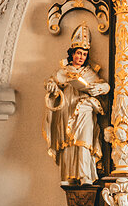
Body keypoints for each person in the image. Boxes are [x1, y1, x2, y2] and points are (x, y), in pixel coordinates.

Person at [43, 24, 110, 185]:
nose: (81, 57)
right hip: (67, 109)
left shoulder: (90, 72)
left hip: (85, 110)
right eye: (79, 53)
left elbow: (105, 86)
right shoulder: (62, 72)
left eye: (84, 54)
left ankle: (84, 174)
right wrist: (52, 87)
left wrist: (100, 88)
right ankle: (68, 176)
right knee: (68, 142)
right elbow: (52, 84)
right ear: (72, 53)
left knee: (84, 140)